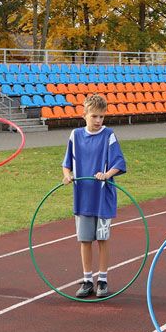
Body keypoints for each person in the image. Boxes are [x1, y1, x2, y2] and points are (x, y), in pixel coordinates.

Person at [61, 94, 127, 298]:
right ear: (84, 115)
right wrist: (67, 176)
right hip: (82, 196)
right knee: (85, 240)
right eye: (94, 116)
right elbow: (66, 164)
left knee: (102, 239)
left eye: (101, 116)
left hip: (102, 197)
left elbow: (119, 163)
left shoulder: (108, 135)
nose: (98, 121)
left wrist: (106, 175)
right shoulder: (75, 135)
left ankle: (103, 280)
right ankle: (88, 279)